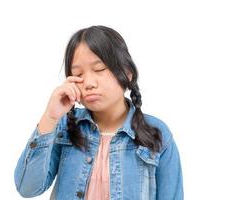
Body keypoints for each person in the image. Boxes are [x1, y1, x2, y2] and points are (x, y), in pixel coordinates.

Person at [14, 25, 183, 200]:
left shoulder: (157, 132)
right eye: (78, 74)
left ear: (127, 73)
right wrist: (50, 117)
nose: (88, 83)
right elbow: (27, 188)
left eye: (99, 69)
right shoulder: (65, 127)